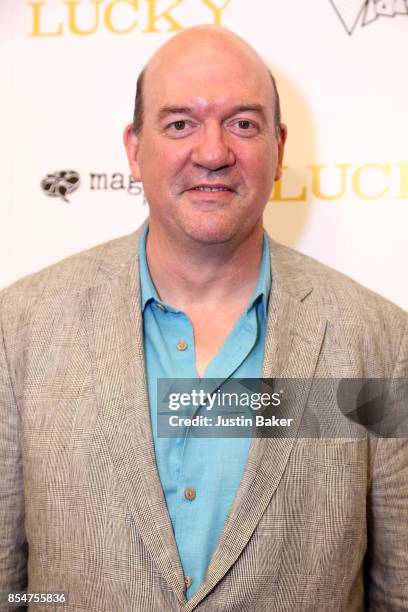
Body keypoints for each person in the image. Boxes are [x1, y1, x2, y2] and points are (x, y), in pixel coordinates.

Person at [0, 24, 407, 612]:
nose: (213, 153)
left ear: (279, 150)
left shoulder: (379, 341)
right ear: (135, 151)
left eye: (243, 123)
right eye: (179, 123)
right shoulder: (20, 329)